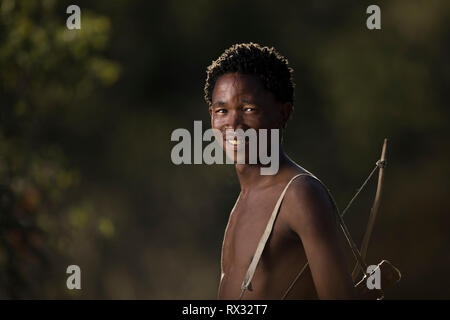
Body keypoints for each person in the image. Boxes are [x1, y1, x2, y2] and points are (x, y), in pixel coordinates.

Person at [204, 43, 355, 299]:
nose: (233, 123)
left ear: (282, 113)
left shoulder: (299, 194)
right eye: (222, 111)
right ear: (211, 116)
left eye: (249, 109)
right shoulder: (244, 200)